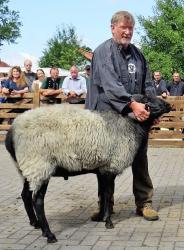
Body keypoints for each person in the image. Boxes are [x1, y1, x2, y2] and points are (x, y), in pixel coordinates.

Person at [85, 10, 159, 221]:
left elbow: (147, 83)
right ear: (113, 28)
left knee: (140, 157)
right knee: (106, 163)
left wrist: (152, 110)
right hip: (107, 116)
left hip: (135, 115)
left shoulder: (138, 53)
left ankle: (144, 203)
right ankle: (105, 207)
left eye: (130, 29)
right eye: (123, 28)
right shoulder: (102, 52)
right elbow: (110, 85)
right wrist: (132, 104)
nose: (127, 32)